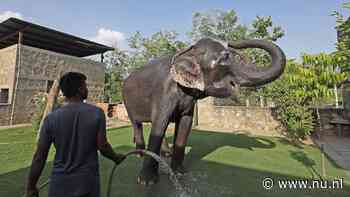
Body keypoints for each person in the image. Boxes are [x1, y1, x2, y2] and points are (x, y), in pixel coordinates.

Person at [25, 72, 125, 197]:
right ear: (79, 89)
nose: (87, 89)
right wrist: (116, 158)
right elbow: (103, 146)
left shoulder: (51, 119)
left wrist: (30, 187)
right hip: (87, 183)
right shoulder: (96, 113)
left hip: (59, 184)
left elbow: (39, 156)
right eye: (85, 86)